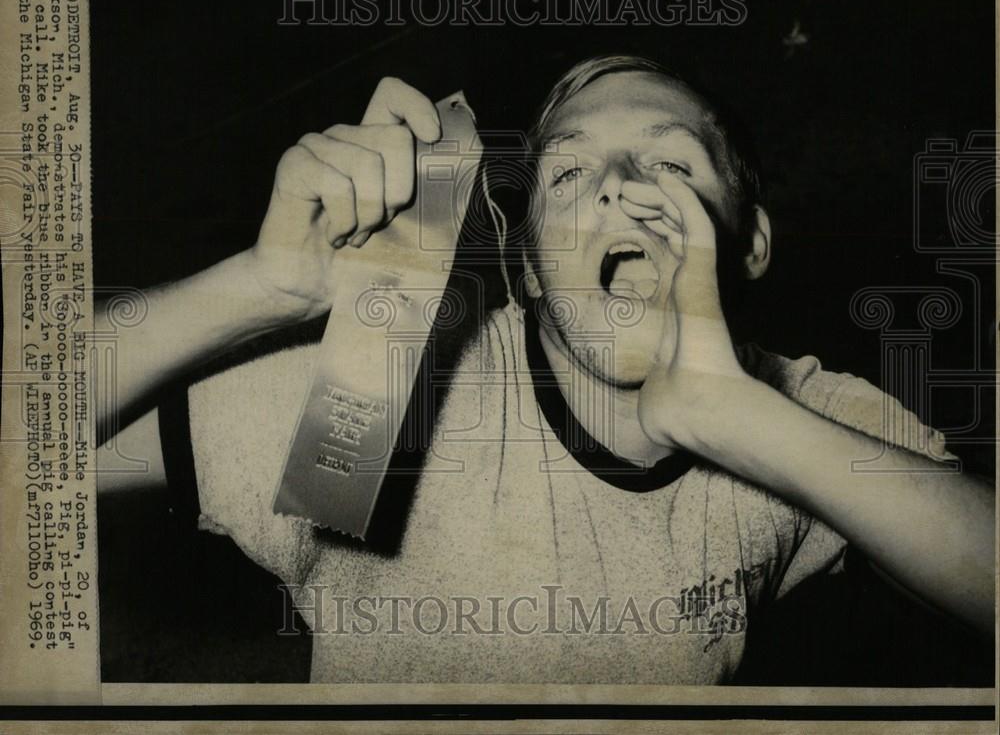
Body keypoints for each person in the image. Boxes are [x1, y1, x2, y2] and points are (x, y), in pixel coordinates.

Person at [96, 56, 993, 684]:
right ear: (527, 272)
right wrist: (262, 287)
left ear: (750, 241)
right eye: (567, 175)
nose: (619, 183)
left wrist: (736, 417)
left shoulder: (805, 410)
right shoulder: (390, 392)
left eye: (672, 160)